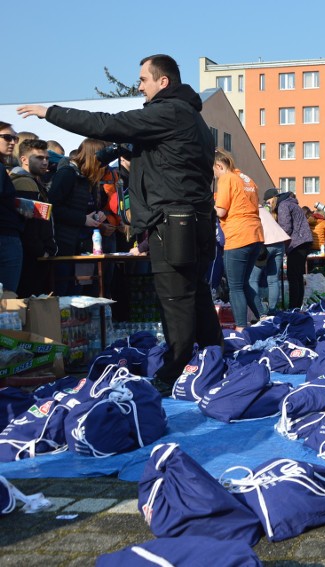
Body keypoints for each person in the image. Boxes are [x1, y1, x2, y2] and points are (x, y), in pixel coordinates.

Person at [19, 54, 222, 394]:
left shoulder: (167, 112)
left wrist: (49, 113)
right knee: (195, 292)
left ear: (163, 82)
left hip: (174, 222)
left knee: (176, 298)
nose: (139, 86)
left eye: (143, 80)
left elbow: (105, 124)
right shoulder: (189, 117)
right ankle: (213, 358)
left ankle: (172, 372)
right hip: (192, 219)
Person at [48, 138, 109, 295]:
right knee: (64, 289)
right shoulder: (67, 174)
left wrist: (98, 213)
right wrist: (83, 219)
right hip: (64, 243)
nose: (104, 166)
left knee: (80, 288)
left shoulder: (88, 179)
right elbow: (53, 208)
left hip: (83, 243)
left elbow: (87, 207)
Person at [213, 150, 264, 330]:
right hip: (255, 234)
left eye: (215, 172)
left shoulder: (226, 178)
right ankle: (264, 318)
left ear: (219, 166)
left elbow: (221, 211)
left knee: (235, 286)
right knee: (243, 283)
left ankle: (241, 327)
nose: (215, 176)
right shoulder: (247, 179)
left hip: (238, 235)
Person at [10, 138, 57, 297]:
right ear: (24, 159)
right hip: (31, 256)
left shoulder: (34, 182)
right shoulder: (24, 183)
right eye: (39, 158)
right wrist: (40, 251)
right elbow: (30, 224)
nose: (45, 162)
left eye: (46, 158)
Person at [271, 189, 313, 310]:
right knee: (298, 276)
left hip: (296, 243)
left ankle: (293, 307)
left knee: (293, 276)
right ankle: (297, 306)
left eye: (269, 202)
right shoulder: (292, 203)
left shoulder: (283, 205)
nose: (269, 205)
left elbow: (286, 228)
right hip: (303, 241)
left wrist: (276, 235)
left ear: (274, 199)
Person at [250, 189, 290, 312]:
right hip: (279, 242)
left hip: (265, 245)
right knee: (273, 280)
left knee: (252, 279)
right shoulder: (263, 209)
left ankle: (258, 311)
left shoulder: (249, 210)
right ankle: (273, 310)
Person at [0, 122, 24, 293]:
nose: (13, 142)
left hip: (8, 234)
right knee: (7, 299)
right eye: (7, 137)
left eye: (15, 138)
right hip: (5, 236)